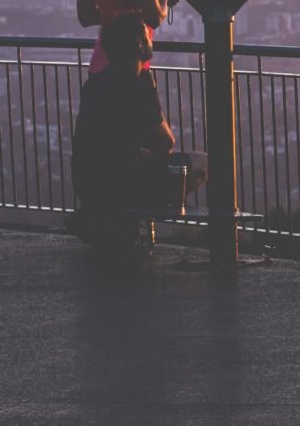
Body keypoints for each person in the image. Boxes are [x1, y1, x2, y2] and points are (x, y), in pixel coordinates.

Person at [68, 15, 205, 254]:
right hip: (123, 184)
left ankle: (112, 221)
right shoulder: (137, 82)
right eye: (146, 35)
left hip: (88, 183)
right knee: (201, 163)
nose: (151, 38)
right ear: (139, 46)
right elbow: (166, 142)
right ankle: (131, 217)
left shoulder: (95, 84)